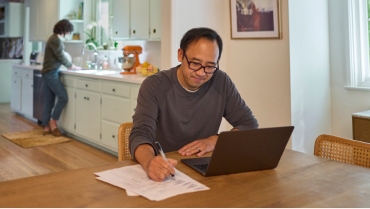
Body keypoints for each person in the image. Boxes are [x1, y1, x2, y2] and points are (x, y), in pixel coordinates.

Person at [129, 27, 259, 182]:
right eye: (195, 63)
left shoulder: (221, 82)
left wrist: (215, 141)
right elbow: (140, 134)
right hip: (167, 169)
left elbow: (249, 124)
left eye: (210, 66)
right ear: (180, 55)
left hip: (203, 169)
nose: (201, 73)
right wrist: (150, 162)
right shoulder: (155, 85)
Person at [41, 19, 81, 136]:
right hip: (51, 73)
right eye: (68, 31)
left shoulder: (52, 39)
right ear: (64, 30)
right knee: (63, 97)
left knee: (49, 101)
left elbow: (59, 56)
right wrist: (71, 66)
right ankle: (53, 122)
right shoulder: (55, 40)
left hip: (47, 72)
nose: (68, 34)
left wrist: (69, 65)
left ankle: (46, 127)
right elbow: (61, 56)